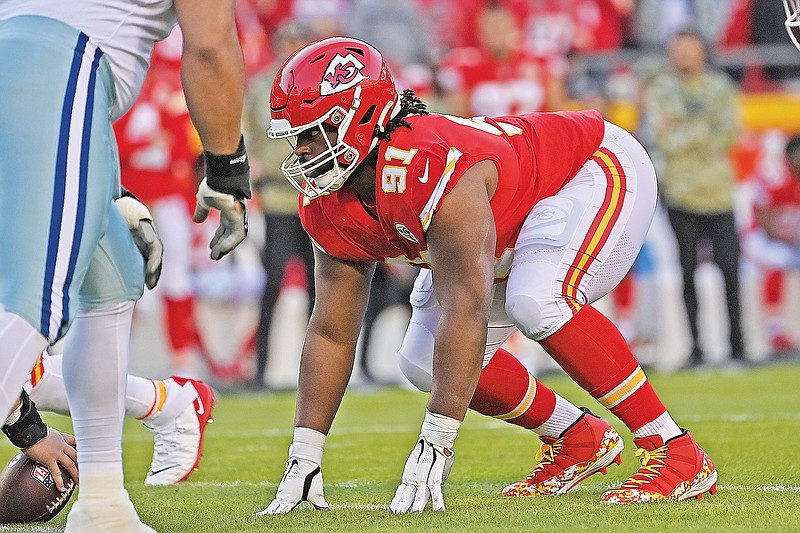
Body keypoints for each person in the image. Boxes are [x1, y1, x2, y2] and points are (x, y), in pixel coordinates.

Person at [256, 37, 717, 515]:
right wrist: (304, 457)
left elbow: (467, 306)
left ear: (362, 116)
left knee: (538, 299)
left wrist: (437, 440)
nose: (303, 149)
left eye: (314, 132)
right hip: (508, 220)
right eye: (297, 136)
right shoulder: (328, 201)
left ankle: (673, 448)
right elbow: (331, 331)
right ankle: (578, 437)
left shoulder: (428, 164)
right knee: (421, 361)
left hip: (590, 167)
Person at [0, 0, 249, 530]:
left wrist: (105, 185)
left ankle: (104, 506)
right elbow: (209, 45)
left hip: (45, 84)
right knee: (33, 302)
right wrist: (227, 168)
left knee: (112, 275)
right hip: (55, 71)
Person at [641, 29, 745, 367]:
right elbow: (662, 137)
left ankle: (738, 347)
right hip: (681, 192)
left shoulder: (721, 87)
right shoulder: (660, 90)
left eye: (690, 48)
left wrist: (684, 128)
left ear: (703, 52)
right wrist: (704, 127)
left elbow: (728, 133)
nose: (684, 55)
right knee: (687, 270)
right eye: (679, 49)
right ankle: (696, 348)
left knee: (730, 268)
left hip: (718, 192)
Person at [243, 21, 316, 390]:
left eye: (298, 41)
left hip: (316, 192)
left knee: (320, 289)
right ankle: (261, 370)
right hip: (276, 194)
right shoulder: (261, 86)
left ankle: (319, 373)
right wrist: (250, 164)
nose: (292, 47)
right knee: (273, 282)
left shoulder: (318, 85)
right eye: (287, 40)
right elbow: (245, 133)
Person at [742, 135, 800, 355]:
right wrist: (787, 238)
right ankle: (775, 329)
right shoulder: (775, 177)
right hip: (764, 238)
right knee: (778, 259)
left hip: (792, 238)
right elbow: (764, 219)